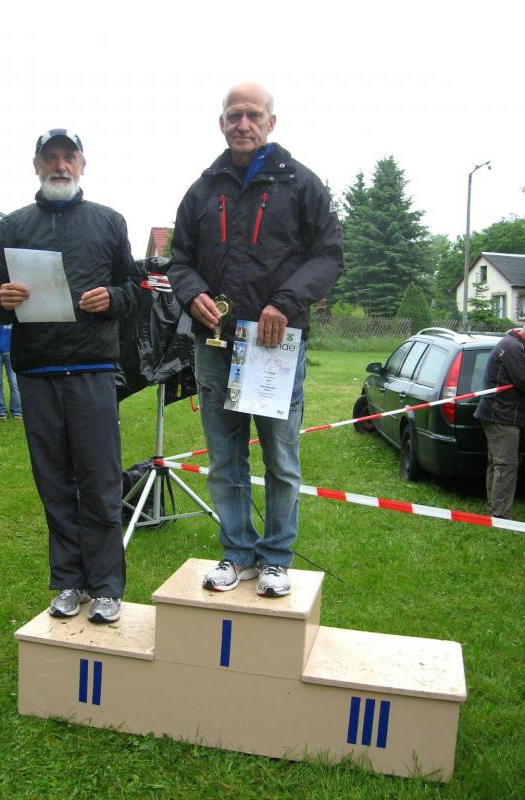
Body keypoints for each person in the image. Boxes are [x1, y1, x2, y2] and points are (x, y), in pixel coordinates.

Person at [169, 83, 343, 597]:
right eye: (234, 115)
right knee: (225, 458)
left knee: (280, 459)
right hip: (215, 343)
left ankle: (276, 559)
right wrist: (193, 293)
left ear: (271, 122)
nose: (242, 123)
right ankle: (238, 554)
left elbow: (329, 256)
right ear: (221, 123)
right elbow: (179, 260)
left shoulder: (302, 185)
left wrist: (285, 302)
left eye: (252, 114)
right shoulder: (202, 190)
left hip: (275, 346)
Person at [0, 128, 135, 624]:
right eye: (51, 158)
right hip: (38, 371)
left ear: (83, 165)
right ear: (36, 166)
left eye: (69, 157)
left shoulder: (109, 221)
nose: (60, 165)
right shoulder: (12, 227)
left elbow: (135, 288)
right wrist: (0, 300)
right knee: (54, 483)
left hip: (93, 369)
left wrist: (113, 297)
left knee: (100, 480)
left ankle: (106, 587)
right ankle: (70, 581)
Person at [474, 327, 525, 519]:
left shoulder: (513, 344)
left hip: (500, 414)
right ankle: (500, 516)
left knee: (497, 464)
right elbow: (523, 380)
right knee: (506, 465)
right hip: (501, 416)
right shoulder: (513, 347)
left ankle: (495, 509)